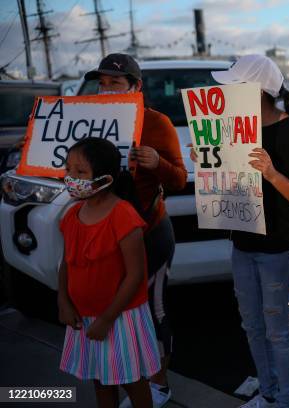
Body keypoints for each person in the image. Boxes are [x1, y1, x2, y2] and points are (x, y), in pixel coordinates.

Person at [190, 54, 289, 408]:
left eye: (232, 84)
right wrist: (208, 162)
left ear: (255, 90)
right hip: (243, 243)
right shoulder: (229, 127)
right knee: (253, 326)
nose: (224, 90)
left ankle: (286, 401)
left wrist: (272, 174)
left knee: (279, 330)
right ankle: (269, 392)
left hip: (279, 248)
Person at [84, 53, 188, 408]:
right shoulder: (88, 120)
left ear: (135, 87)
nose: (105, 89)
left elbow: (178, 179)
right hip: (107, 238)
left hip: (150, 233)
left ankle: (160, 385)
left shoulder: (157, 123)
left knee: (153, 311)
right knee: (116, 313)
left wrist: (157, 164)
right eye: (101, 83)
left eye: (115, 82)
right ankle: (124, 378)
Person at [58, 138, 160, 408]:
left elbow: (135, 274)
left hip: (119, 318)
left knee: (131, 379)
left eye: (81, 172)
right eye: (68, 170)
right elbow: (66, 263)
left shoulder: (123, 215)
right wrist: (64, 302)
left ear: (105, 177)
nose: (71, 178)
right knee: (100, 379)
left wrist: (106, 319)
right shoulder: (71, 216)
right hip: (86, 317)